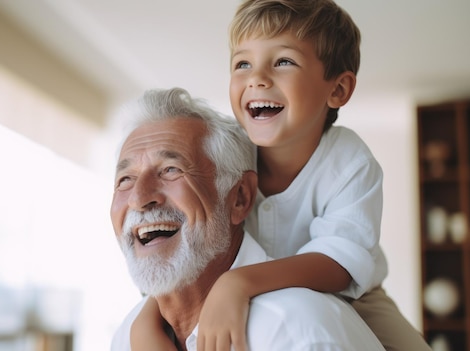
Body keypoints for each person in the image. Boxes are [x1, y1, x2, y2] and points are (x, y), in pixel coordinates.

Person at [131, 1, 432, 351]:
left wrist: (238, 283)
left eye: (283, 61)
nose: (257, 77)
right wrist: (147, 317)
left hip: (355, 297)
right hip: (235, 289)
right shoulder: (226, 155)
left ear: (337, 90)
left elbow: (341, 264)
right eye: (243, 63)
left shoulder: (349, 161)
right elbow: (192, 241)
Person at [110, 86, 385, 351]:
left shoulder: (298, 333)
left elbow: (344, 261)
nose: (139, 197)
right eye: (125, 179)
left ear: (239, 198)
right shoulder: (128, 337)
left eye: (171, 169)